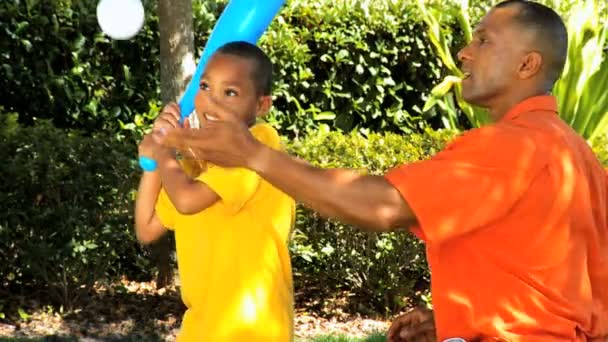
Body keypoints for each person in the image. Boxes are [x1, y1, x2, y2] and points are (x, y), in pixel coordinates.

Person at [162, 1, 608, 341]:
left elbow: (382, 206)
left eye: (484, 41)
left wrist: (252, 154)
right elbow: (562, 286)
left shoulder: (514, 145)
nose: (464, 52)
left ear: (527, 64)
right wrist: (456, 317)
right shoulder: (575, 152)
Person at [134, 41, 296, 342]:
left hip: (252, 329)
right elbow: (146, 228)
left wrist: (164, 154)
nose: (212, 101)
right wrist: (155, 162)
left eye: (230, 93)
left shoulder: (259, 146)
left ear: (261, 106)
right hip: (201, 328)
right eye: (205, 86)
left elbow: (186, 201)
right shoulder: (194, 169)